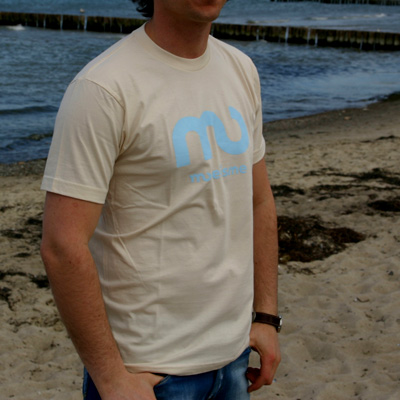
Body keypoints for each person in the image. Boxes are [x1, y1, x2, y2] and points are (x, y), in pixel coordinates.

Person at [40, 0, 281, 399]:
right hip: (149, 373)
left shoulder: (240, 68)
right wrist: (111, 378)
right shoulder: (103, 87)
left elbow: (258, 201)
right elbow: (62, 244)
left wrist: (267, 317)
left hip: (234, 359)